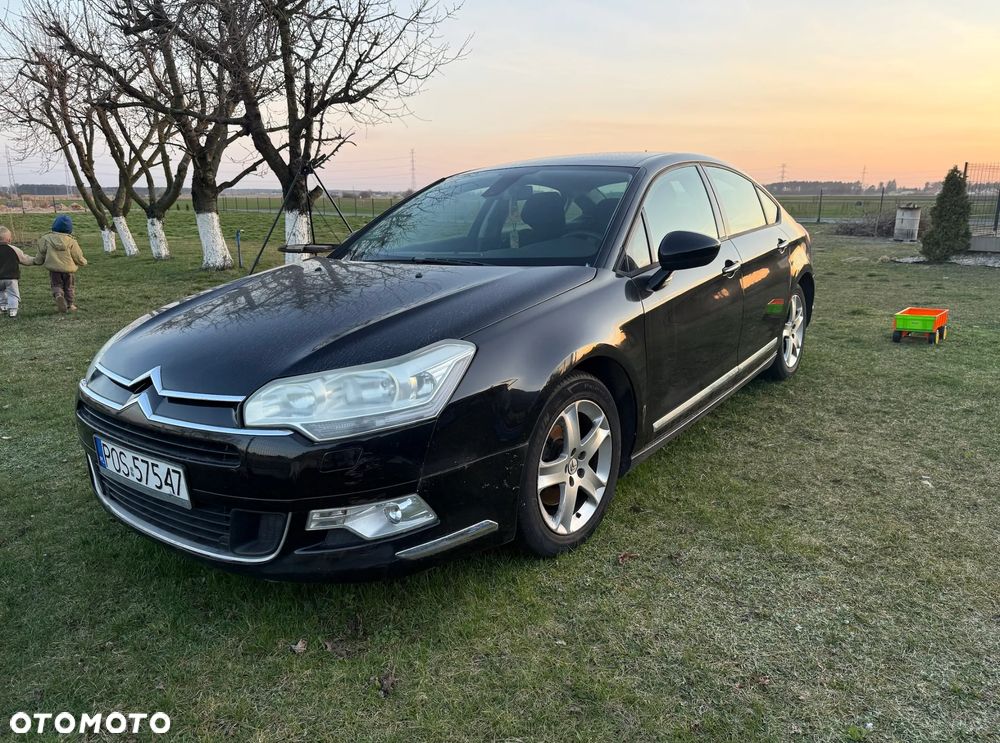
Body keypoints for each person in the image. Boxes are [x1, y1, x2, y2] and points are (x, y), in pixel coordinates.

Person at [34, 214, 87, 313]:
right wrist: (83, 262)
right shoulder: (71, 241)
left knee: (56, 285)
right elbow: (77, 255)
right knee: (69, 287)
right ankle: (70, 305)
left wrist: (37, 261)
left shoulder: (46, 239)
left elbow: (41, 252)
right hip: (69, 270)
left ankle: (58, 295)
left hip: (54, 270)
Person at [0, 225, 34, 319]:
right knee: (13, 294)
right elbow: (25, 259)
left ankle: (2, 306)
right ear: (9, 239)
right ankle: (13, 310)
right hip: (11, 277)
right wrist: (36, 260)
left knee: (1, 292)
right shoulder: (14, 249)